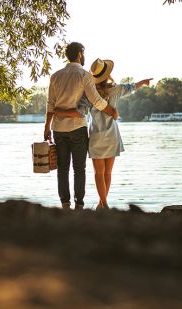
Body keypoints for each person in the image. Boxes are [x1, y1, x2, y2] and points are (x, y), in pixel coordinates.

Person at [54, 58, 152, 209]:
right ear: (108, 75)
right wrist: (143, 82)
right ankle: (103, 203)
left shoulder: (89, 94)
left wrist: (59, 111)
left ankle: (103, 203)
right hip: (112, 135)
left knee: (99, 173)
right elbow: (131, 87)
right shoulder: (116, 90)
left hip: (96, 137)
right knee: (108, 173)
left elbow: (79, 112)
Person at [44, 42, 119, 210]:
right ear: (79, 54)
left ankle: (65, 204)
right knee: (79, 168)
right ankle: (79, 205)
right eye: (83, 53)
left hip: (58, 129)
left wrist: (46, 127)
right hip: (78, 128)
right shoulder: (84, 75)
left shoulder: (55, 76)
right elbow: (97, 101)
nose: (84, 56)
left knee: (62, 168)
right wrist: (111, 110)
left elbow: (50, 105)